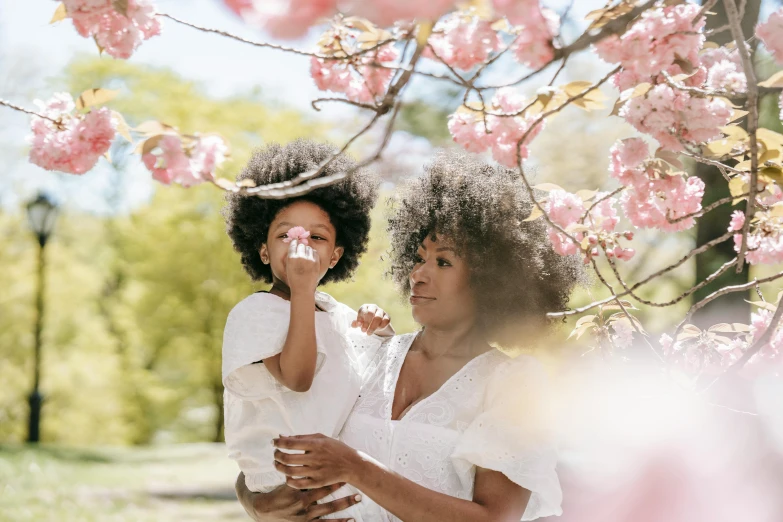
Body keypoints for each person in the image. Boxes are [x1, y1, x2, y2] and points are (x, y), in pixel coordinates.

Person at [235, 150, 584, 521]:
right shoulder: (368, 352)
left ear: (492, 281)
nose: (418, 274)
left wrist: (356, 468)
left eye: (443, 262)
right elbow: (266, 436)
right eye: (419, 258)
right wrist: (256, 503)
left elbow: (494, 518)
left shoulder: (514, 383)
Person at [222, 139, 394, 521]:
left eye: (317, 237)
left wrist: (379, 324)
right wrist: (301, 289)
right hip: (283, 487)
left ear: (334, 256)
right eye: (286, 235)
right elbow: (297, 378)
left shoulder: (335, 312)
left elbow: (381, 376)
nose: (301, 244)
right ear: (264, 250)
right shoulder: (257, 311)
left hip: (339, 484)